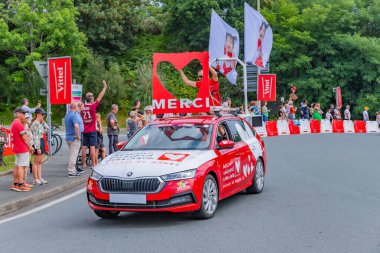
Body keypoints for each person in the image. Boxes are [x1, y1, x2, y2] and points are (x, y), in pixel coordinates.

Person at [81, 80, 107, 169]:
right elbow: (100, 96)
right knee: (92, 147)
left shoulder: (82, 106)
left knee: (84, 147)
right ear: (92, 99)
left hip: (84, 130)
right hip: (92, 130)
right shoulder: (93, 106)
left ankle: (83, 164)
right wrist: (104, 87)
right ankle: (93, 164)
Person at [11, 107, 34, 191]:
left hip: (16, 147)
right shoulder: (19, 124)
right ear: (19, 114)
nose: (24, 115)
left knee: (17, 166)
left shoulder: (14, 123)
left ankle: (15, 183)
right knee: (22, 166)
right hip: (22, 148)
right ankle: (21, 184)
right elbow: (25, 138)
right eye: (23, 114)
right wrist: (30, 147)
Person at [30, 108, 49, 185]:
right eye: (42, 114)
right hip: (37, 142)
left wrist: (43, 121)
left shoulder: (40, 122)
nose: (43, 116)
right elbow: (35, 136)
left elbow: (47, 129)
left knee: (40, 162)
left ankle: (39, 177)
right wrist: (37, 148)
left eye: (43, 114)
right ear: (37, 114)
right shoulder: (35, 123)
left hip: (41, 140)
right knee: (36, 162)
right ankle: (35, 179)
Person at [64, 102, 81, 177]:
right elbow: (76, 126)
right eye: (77, 106)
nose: (78, 107)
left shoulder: (67, 115)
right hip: (73, 137)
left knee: (72, 154)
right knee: (74, 155)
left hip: (68, 137)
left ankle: (73, 169)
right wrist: (77, 136)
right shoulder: (74, 116)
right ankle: (71, 171)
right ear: (74, 107)